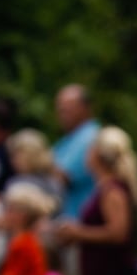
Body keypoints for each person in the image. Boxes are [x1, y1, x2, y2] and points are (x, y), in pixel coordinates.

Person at [52, 125, 137, 275]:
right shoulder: (105, 188)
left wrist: (77, 233)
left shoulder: (112, 190)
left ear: (98, 155)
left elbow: (119, 232)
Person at [51, 84, 102, 221]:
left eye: (68, 108)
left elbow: (63, 177)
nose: (62, 113)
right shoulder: (67, 140)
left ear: (85, 108)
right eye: (60, 109)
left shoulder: (91, 137)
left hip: (81, 225)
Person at [4, 129, 64, 212]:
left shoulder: (16, 183)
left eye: (16, 155)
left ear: (30, 155)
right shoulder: (55, 182)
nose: (12, 160)